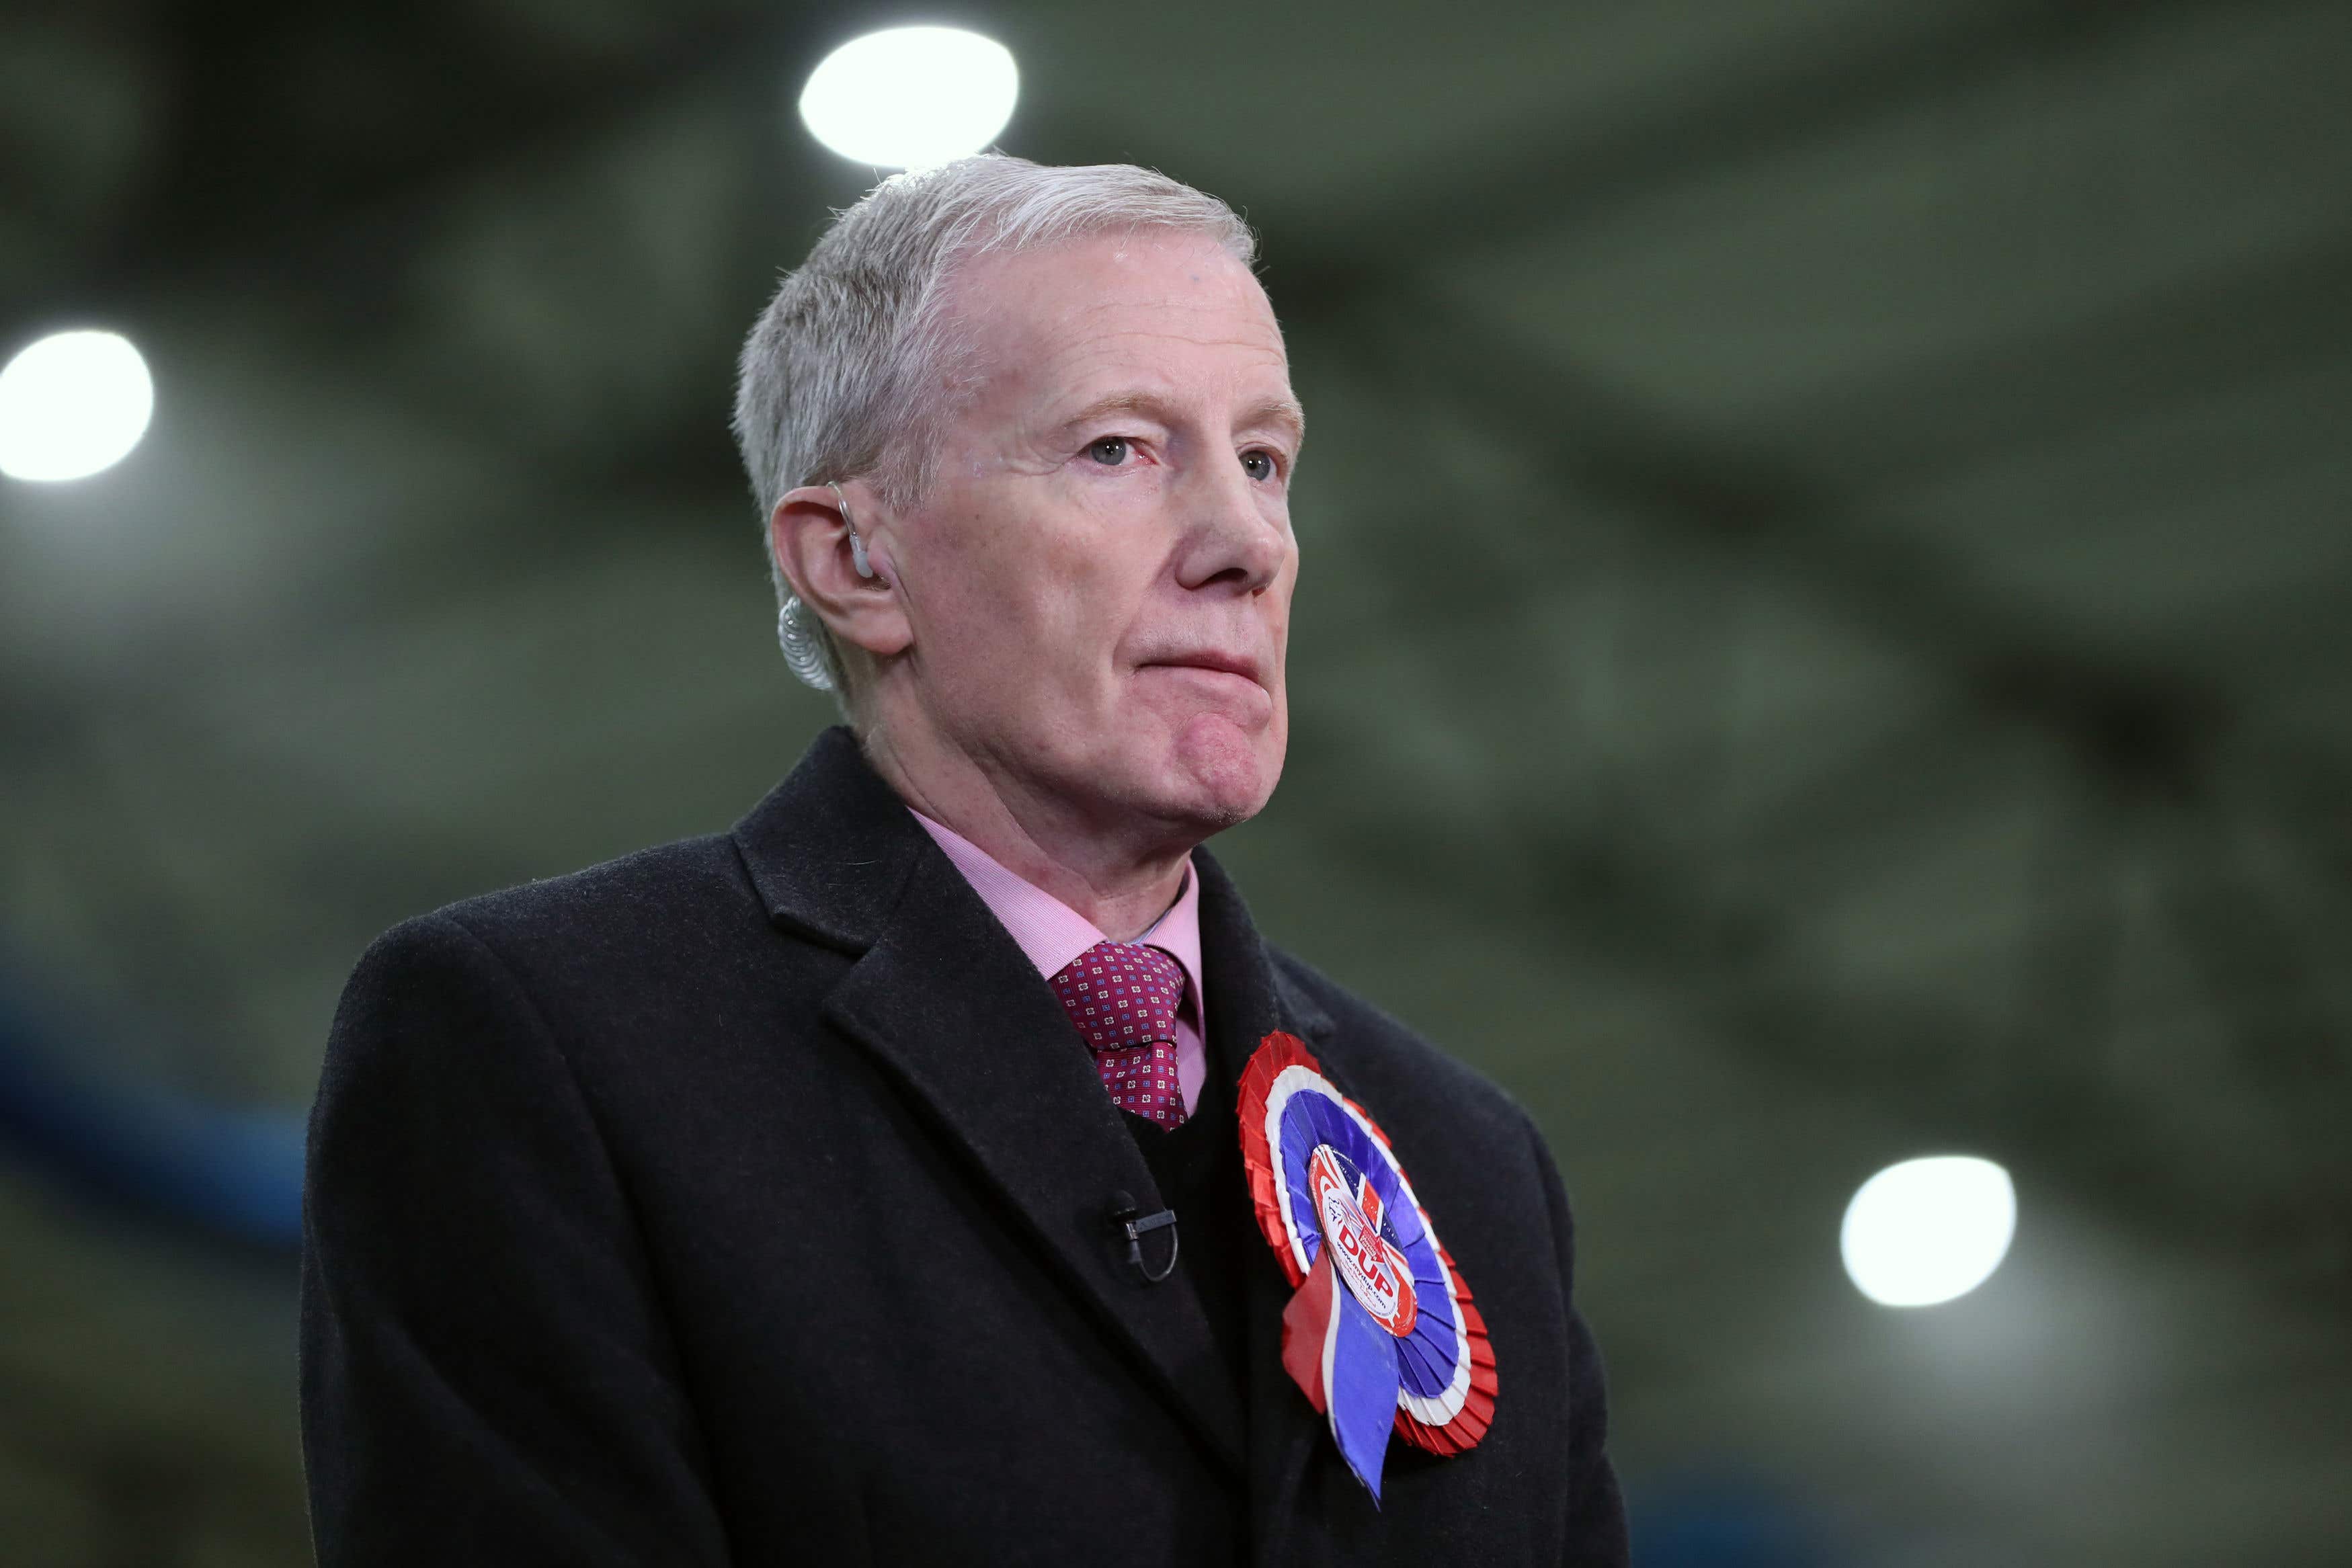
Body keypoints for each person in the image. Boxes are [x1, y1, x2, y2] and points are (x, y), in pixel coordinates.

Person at [299, 155, 1625, 1567]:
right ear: (856, 563)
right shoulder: (544, 1042)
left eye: (1263, 460)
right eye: (1117, 449)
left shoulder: (1467, 1164)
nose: (1245, 542)